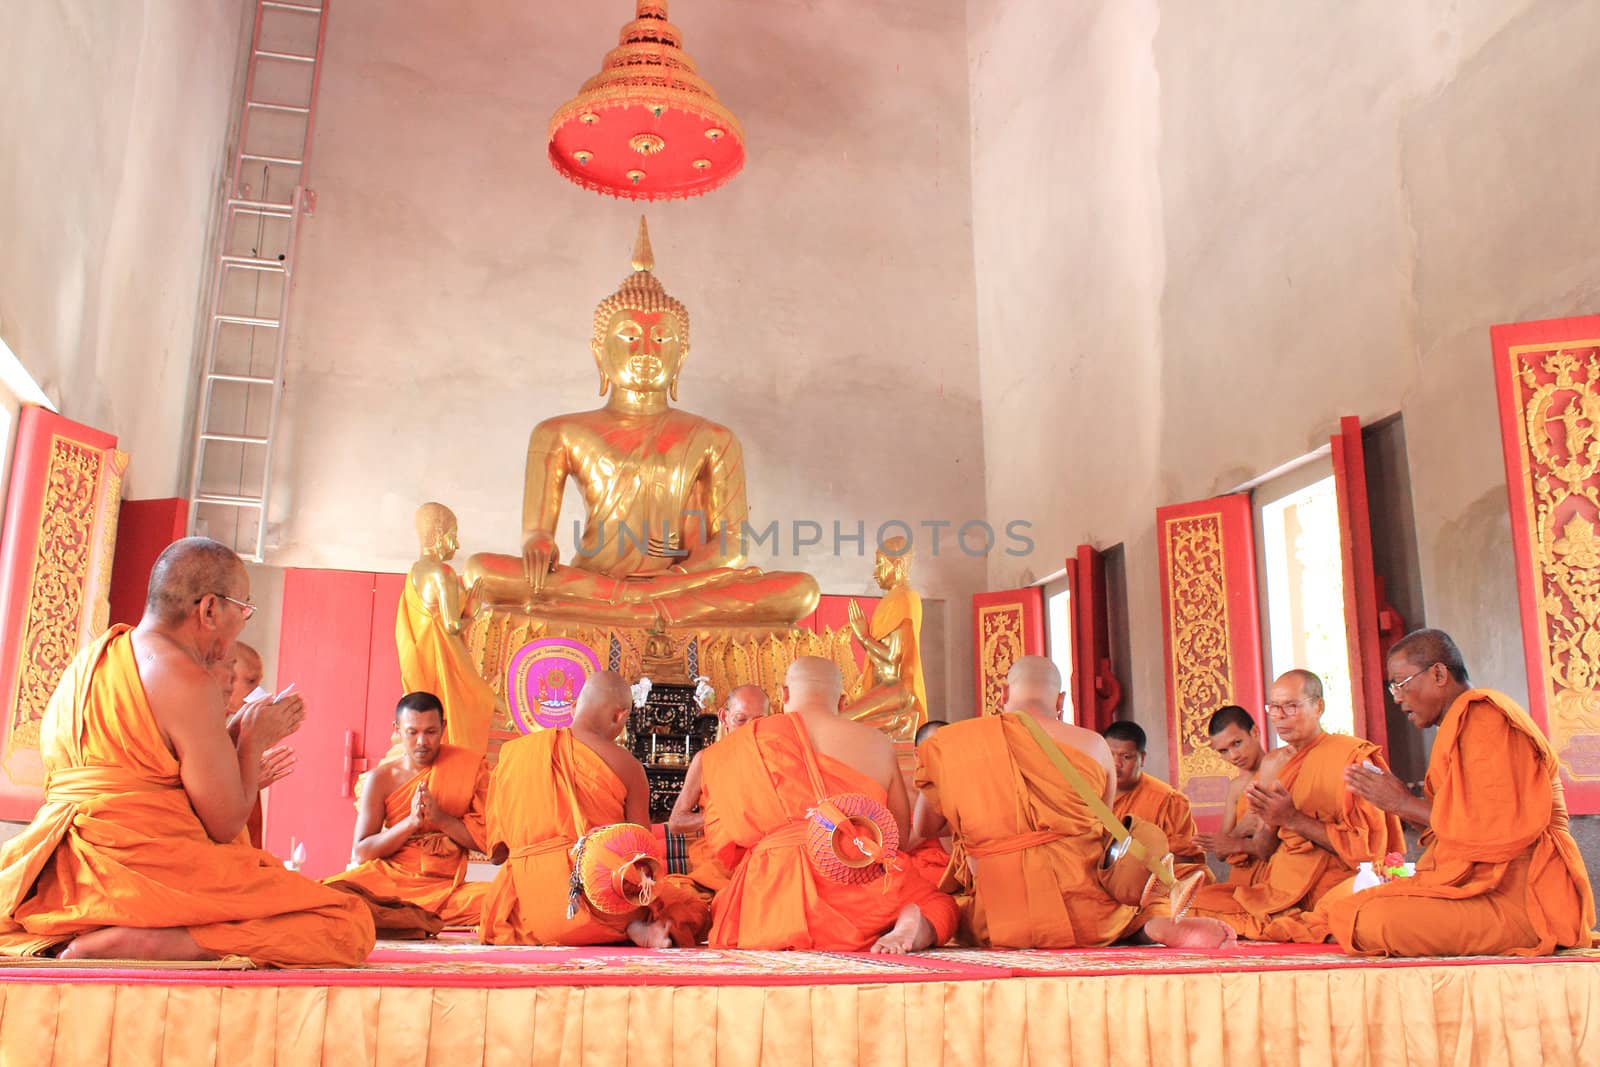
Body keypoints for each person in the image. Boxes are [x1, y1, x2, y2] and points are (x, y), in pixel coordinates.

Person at [0, 537, 374, 964]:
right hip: (141, 872)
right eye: (244, 609)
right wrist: (252, 741)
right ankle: (152, 941)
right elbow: (224, 821)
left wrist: (228, 736)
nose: (244, 623)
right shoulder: (185, 678)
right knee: (343, 922)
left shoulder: (89, 662)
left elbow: (142, 776)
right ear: (210, 608)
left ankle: (114, 927)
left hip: (64, 874)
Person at [914, 657, 1230, 948]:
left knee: (946, 907)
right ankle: (1152, 926)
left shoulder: (953, 745)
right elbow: (1099, 821)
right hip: (1086, 912)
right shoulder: (1093, 744)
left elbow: (924, 827)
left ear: (1003, 692)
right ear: (1061, 701)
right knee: (1134, 905)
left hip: (999, 914)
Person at [1325, 629, 1595, 955]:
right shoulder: (1459, 727)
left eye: (1400, 683)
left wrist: (1403, 803)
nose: (1396, 697)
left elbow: (1495, 828)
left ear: (1438, 674)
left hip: (1522, 897)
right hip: (1479, 887)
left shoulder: (1485, 717)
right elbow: (1456, 833)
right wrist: (1400, 804)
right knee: (1347, 904)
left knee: (1371, 920)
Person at [702, 658, 958, 952]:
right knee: (938, 904)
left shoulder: (745, 744)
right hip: (855, 882)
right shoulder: (876, 743)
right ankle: (911, 923)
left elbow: (724, 844)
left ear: (784, 694)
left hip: (770, 899)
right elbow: (895, 836)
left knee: (726, 908)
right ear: (843, 700)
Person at [479, 672, 701, 947]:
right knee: (690, 904)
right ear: (620, 716)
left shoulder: (516, 755)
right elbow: (641, 852)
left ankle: (624, 926)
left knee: (504, 890)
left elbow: (498, 853)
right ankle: (631, 926)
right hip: (599, 900)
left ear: (575, 707)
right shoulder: (626, 765)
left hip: (528, 909)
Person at [1186, 670, 1404, 941]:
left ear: (1318, 706)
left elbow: (1367, 852)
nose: (1280, 716)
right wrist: (1260, 828)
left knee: (1354, 908)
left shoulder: (1351, 757)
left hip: (1334, 883)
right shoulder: (1271, 764)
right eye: (1274, 708)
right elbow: (1265, 850)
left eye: (1291, 706)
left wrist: (1293, 819)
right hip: (1279, 887)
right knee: (1192, 903)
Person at [323, 692, 490, 927]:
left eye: (430, 732)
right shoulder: (381, 779)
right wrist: (411, 822)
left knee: (502, 899)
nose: (422, 742)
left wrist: (440, 819)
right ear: (397, 729)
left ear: (443, 728)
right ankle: (408, 918)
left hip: (445, 889)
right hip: (388, 883)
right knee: (326, 897)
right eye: (412, 732)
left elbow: (487, 844)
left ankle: (402, 918)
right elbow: (363, 852)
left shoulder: (469, 767)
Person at [397, 503, 496, 754]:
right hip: (443, 661)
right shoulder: (443, 572)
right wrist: (472, 613)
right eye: (453, 536)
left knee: (436, 711)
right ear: (440, 535)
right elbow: (451, 626)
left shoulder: (414, 573)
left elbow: (435, 620)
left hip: (423, 662)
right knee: (479, 701)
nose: (457, 545)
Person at [1103, 720, 1208, 880]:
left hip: (1151, 887)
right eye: (1110, 755)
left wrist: (1136, 866)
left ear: (1142, 758)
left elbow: (1186, 859)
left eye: (1126, 757)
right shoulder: (1090, 792)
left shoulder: (1168, 800)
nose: (1116, 764)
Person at [1194, 704, 1286, 885]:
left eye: (1237, 743)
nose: (1233, 755)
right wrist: (1242, 829)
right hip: (1242, 878)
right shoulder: (1236, 788)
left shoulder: (1282, 767)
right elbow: (1220, 852)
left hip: (1279, 873)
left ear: (1255, 733)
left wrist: (1235, 840)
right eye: (1223, 751)